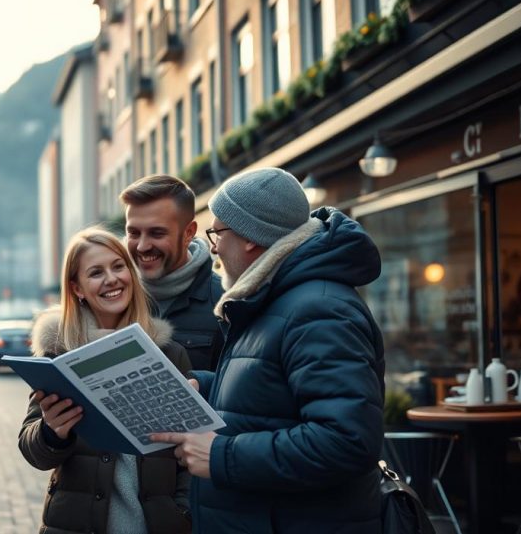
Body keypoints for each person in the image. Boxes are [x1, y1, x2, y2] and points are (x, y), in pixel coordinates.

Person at [150, 167, 385, 533]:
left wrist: (221, 455)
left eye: (217, 233)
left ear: (250, 238)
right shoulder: (277, 298)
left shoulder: (318, 310)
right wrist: (204, 385)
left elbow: (346, 441)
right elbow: (275, 394)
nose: (212, 247)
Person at [19, 227, 193, 534]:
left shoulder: (170, 354)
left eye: (118, 266)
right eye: (96, 272)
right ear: (77, 288)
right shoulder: (59, 355)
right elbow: (33, 451)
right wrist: (51, 433)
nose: (111, 279)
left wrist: (181, 509)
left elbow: (193, 451)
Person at [120, 175, 224, 370]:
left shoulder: (224, 305)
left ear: (188, 233)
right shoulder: (110, 299)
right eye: (133, 233)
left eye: (157, 233)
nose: (142, 246)